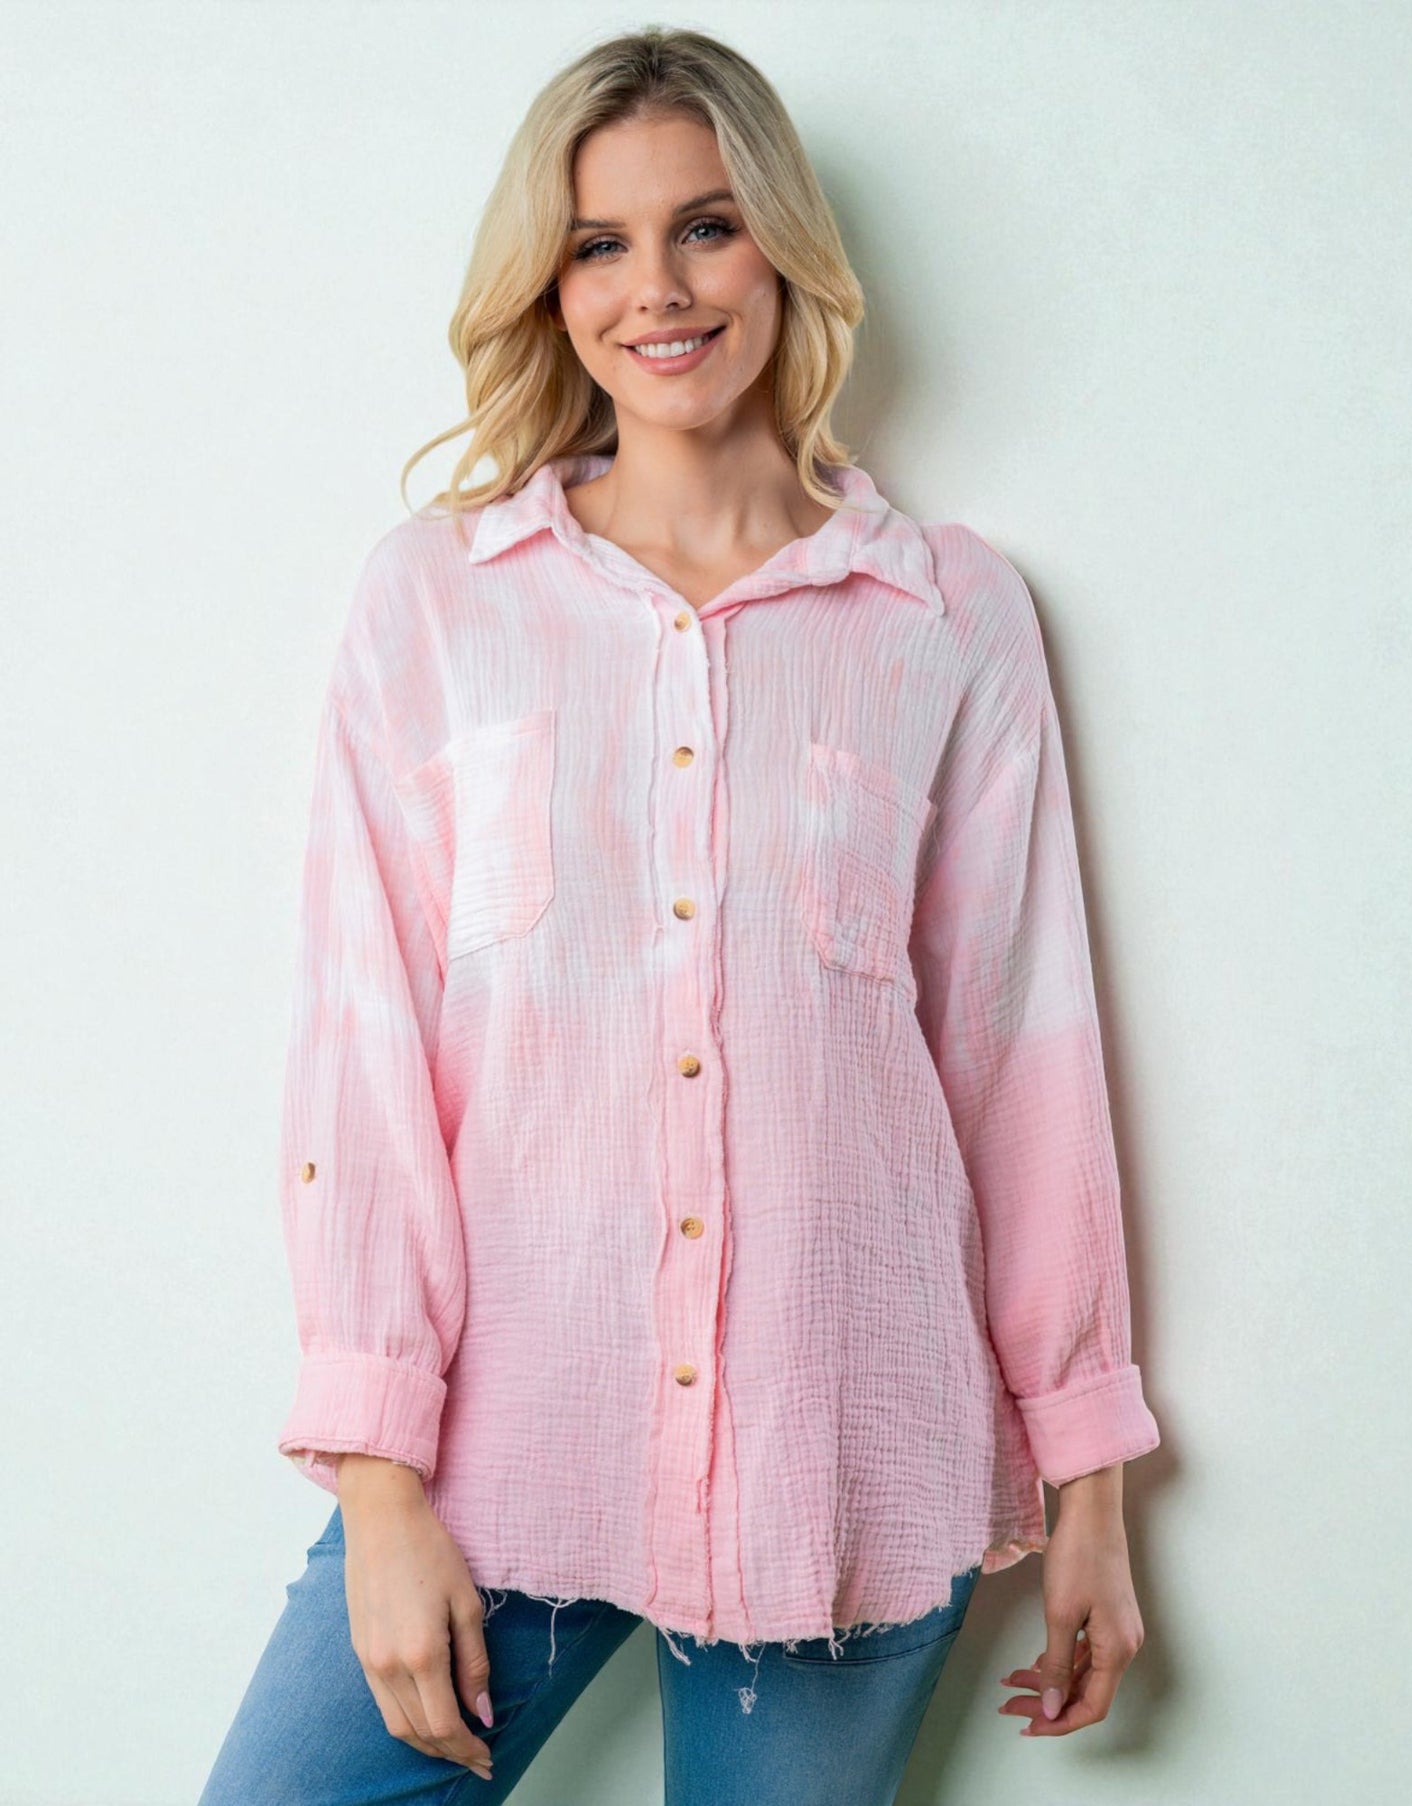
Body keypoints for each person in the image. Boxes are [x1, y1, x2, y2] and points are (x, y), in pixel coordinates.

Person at [198, 24, 1162, 1806]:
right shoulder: (434, 602)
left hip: (846, 1454)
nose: (658, 287)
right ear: (545, 283)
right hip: (500, 1458)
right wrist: (381, 1481)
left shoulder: (946, 613)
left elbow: (1022, 1057)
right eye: (598, 242)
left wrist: (1088, 1480)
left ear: (782, 248)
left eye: (706, 228)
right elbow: (364, 1041)